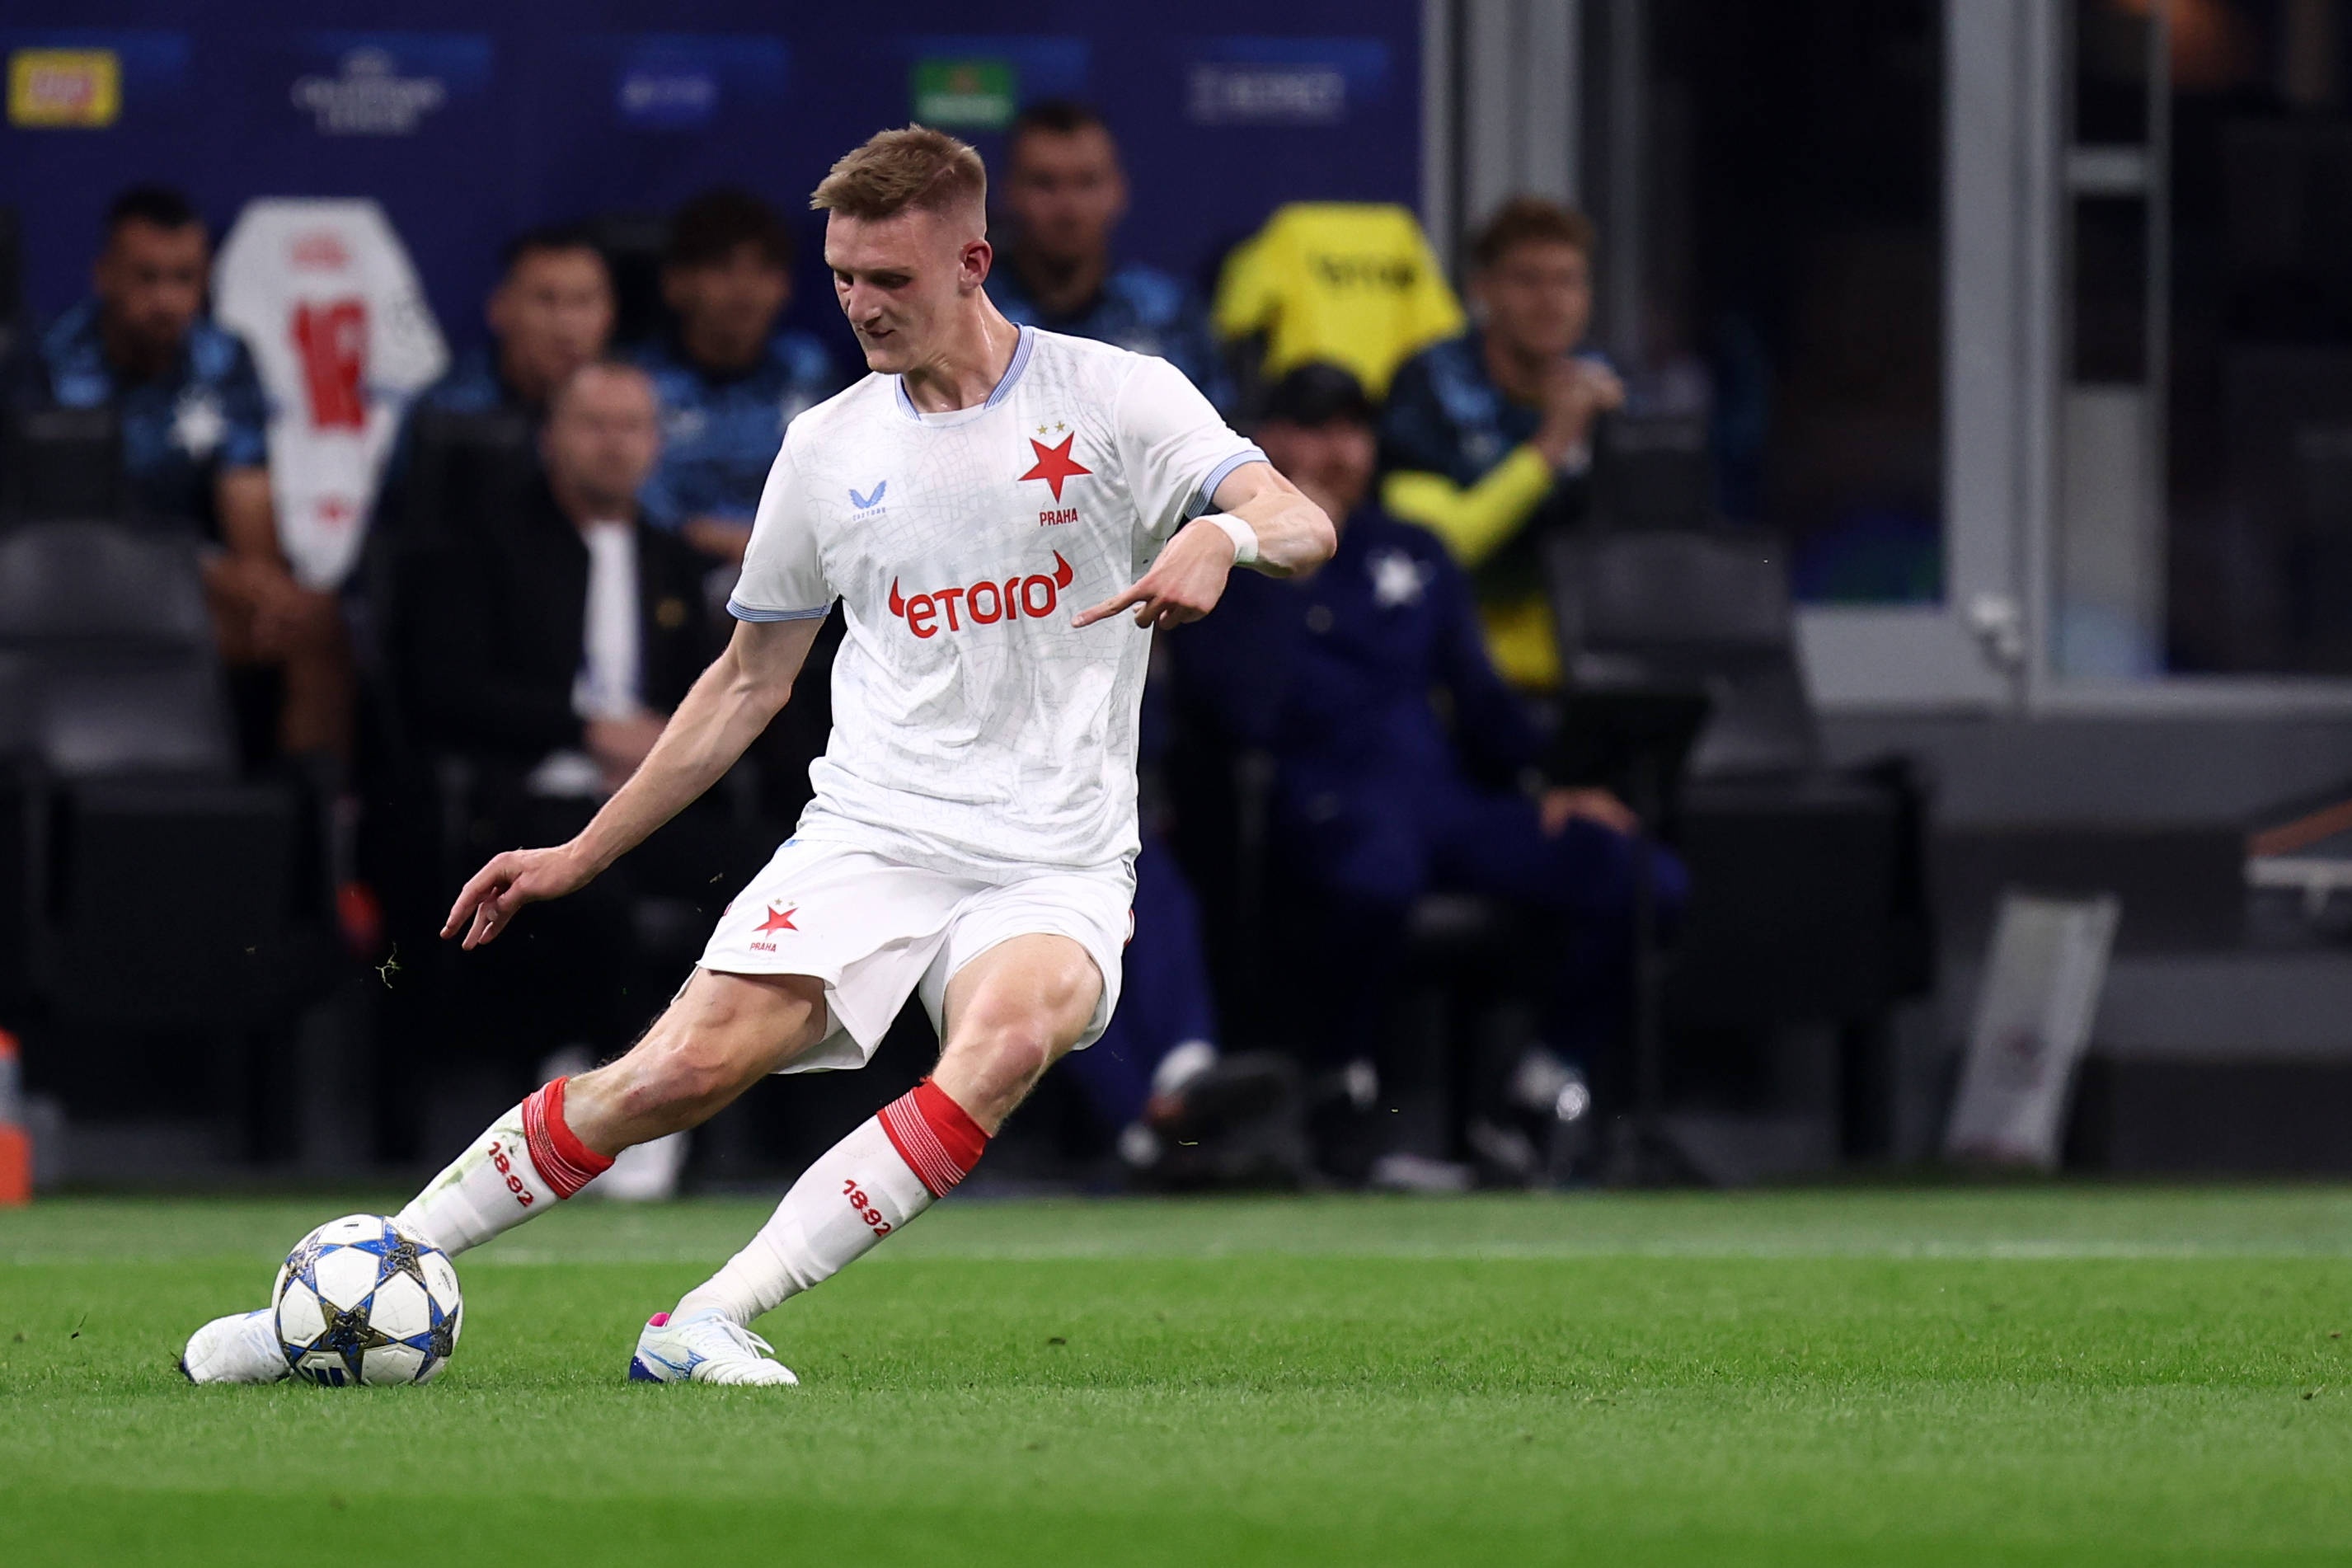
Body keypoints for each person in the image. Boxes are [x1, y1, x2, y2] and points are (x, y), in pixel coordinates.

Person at [182, 124, 1334, 1387]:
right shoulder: (827, 446)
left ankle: (706, 1318)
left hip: (1054, 857)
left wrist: (1223, 537)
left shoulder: (1117, 396)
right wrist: (580, 850)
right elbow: (746, 681)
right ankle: (352, 1286)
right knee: (673, 1072)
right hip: (874, 834)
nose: (860, 305)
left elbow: (1299, 517)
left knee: (1003, 1047)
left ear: (972, 262)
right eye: (842, 276)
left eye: (889, 279)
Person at [1175, 364, 1683, 1180]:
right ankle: (1340, 1093)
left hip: (1443, 805)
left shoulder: (1412, 551)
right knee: (1376, 872)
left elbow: (1483, 704)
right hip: (1319, 809)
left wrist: (1555, 781)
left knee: (1642, 875)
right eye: (1311, 429)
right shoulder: (1224, 556)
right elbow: (1237, 710)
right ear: (1263, 442)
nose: (1335, 451)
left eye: (1352, 430)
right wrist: (1288, 562)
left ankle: (1538, 1097)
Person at [404, 358, 726, 1199]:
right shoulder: (480, 547)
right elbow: (443, 689)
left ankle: (697, 1089)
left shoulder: (672, 562)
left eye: (633, 427)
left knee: (759, 870)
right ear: (551, 437)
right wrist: (584, 729)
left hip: (649, 800)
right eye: (594, 425)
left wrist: (661, 747)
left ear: (657, 444)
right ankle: (607, 1089)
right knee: (589, 894)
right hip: (527, 796)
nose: (615, 445)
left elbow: (720, 691)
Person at [19, 184, 349, 764]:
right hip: (78, 590)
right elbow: (69, 520)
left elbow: (248, 498)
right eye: (146, 278)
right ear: (104, 276)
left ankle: (312, 810)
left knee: (312, 623)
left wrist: (264, 591)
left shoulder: (223, 359)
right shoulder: (47, 363)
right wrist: (214, 573)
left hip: (197, 592)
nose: (166, 301)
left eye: (184, 279)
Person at [1379, 197, 1625, 690]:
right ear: (1482, 289)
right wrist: (1551, 446)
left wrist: (1621, 449)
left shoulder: (1606, 390)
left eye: (1568, 281)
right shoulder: (1429, 386)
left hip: (1581, 663)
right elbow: (1439, 548)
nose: (1550, 301)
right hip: (1450, 665)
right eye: (1528, 280)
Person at [634, 188, 838, 566]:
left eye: (763, 269)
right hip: (670, 569)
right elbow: (630, 498)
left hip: (797, 571)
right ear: (675, 283)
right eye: (722, 268)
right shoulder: (638, 384)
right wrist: (712, 540)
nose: (745, 290)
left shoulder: (807, 370)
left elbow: (836, 488)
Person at [988, 100, 1228, 408]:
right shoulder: (975, 316)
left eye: (1087, 183)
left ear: (1118, 190)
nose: (1068, 209)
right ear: (1008, 193)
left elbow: (1216, 424)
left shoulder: (1167, 313)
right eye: (1045, 184)